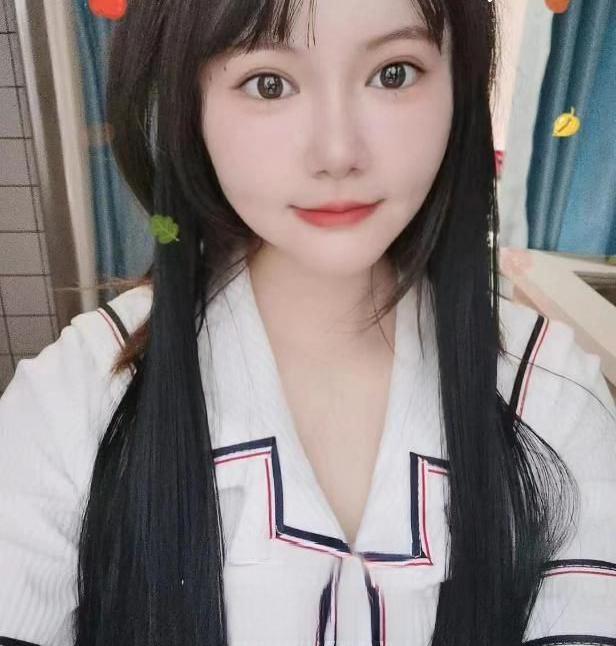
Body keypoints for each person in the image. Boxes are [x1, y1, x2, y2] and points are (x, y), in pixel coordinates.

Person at [1, 0, 615, 645]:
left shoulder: (550, 391)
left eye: (395, 73)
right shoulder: (76, 394)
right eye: (268, 83)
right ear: (189, 106)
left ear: (459, 88)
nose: (338, 153)